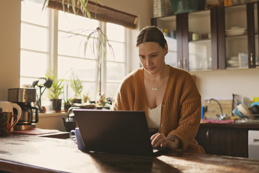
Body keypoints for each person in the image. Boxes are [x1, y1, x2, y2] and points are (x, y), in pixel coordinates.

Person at [112, 26, 205, 154]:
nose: (148, 63)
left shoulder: (184, 80)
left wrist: (171, 141)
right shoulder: (128, 84)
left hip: (182, 155)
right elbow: (115, 123)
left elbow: (189, 125)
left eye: (153, 55)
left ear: (165, 48)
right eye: (142, 57)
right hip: (137, 156)